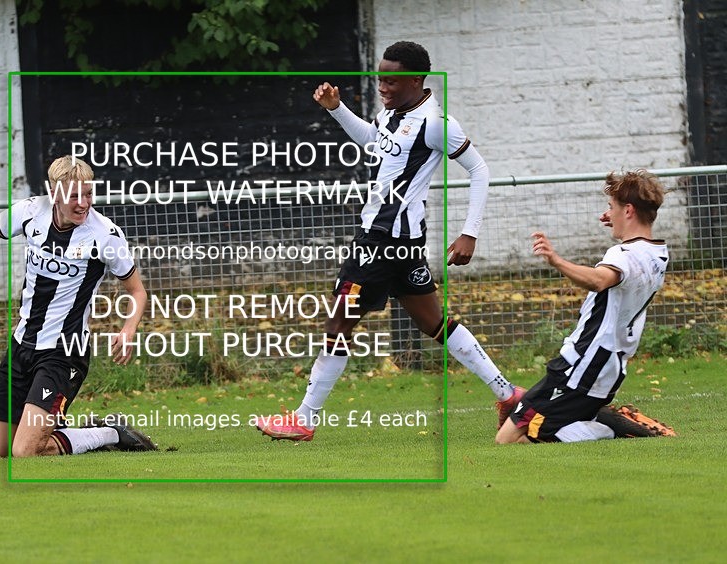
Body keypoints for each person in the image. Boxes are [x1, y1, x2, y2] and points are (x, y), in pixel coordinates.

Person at [256, 41, 522, 441]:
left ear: (416, 79)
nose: (383, 85)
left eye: (392, 80)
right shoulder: (392, 114)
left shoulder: (437, 123)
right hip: (400, 242)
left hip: (380, 241)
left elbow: (479, 169)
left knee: (339, 322)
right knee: (435, 323)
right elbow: (373, 142)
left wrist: (470, 231)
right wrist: (336, 109)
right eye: (381, 78)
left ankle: (305, 418)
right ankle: (508, 394)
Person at [0, 155, 156, 457]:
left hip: (63, 352)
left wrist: (128, 329)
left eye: (88, 194)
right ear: (54, 194)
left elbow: (137, 291)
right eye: (74, 196)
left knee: (27, 451)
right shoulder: (30, 212)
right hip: (22, 345)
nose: (83, 203)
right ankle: (71, 430)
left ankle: (110, 433)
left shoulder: (105, 234)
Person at [496, 170, 669, 444]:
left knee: (512, 440)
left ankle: (609, 426)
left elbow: (600, 280)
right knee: (514, 433)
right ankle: (600, 420)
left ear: (629, 210)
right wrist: (618, 222)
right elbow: (629, 268)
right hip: (606, 364)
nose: (607, 213)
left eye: (611, 207)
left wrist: (556, 260)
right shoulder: (658, 253)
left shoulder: (622, 256)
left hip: (584, 363)